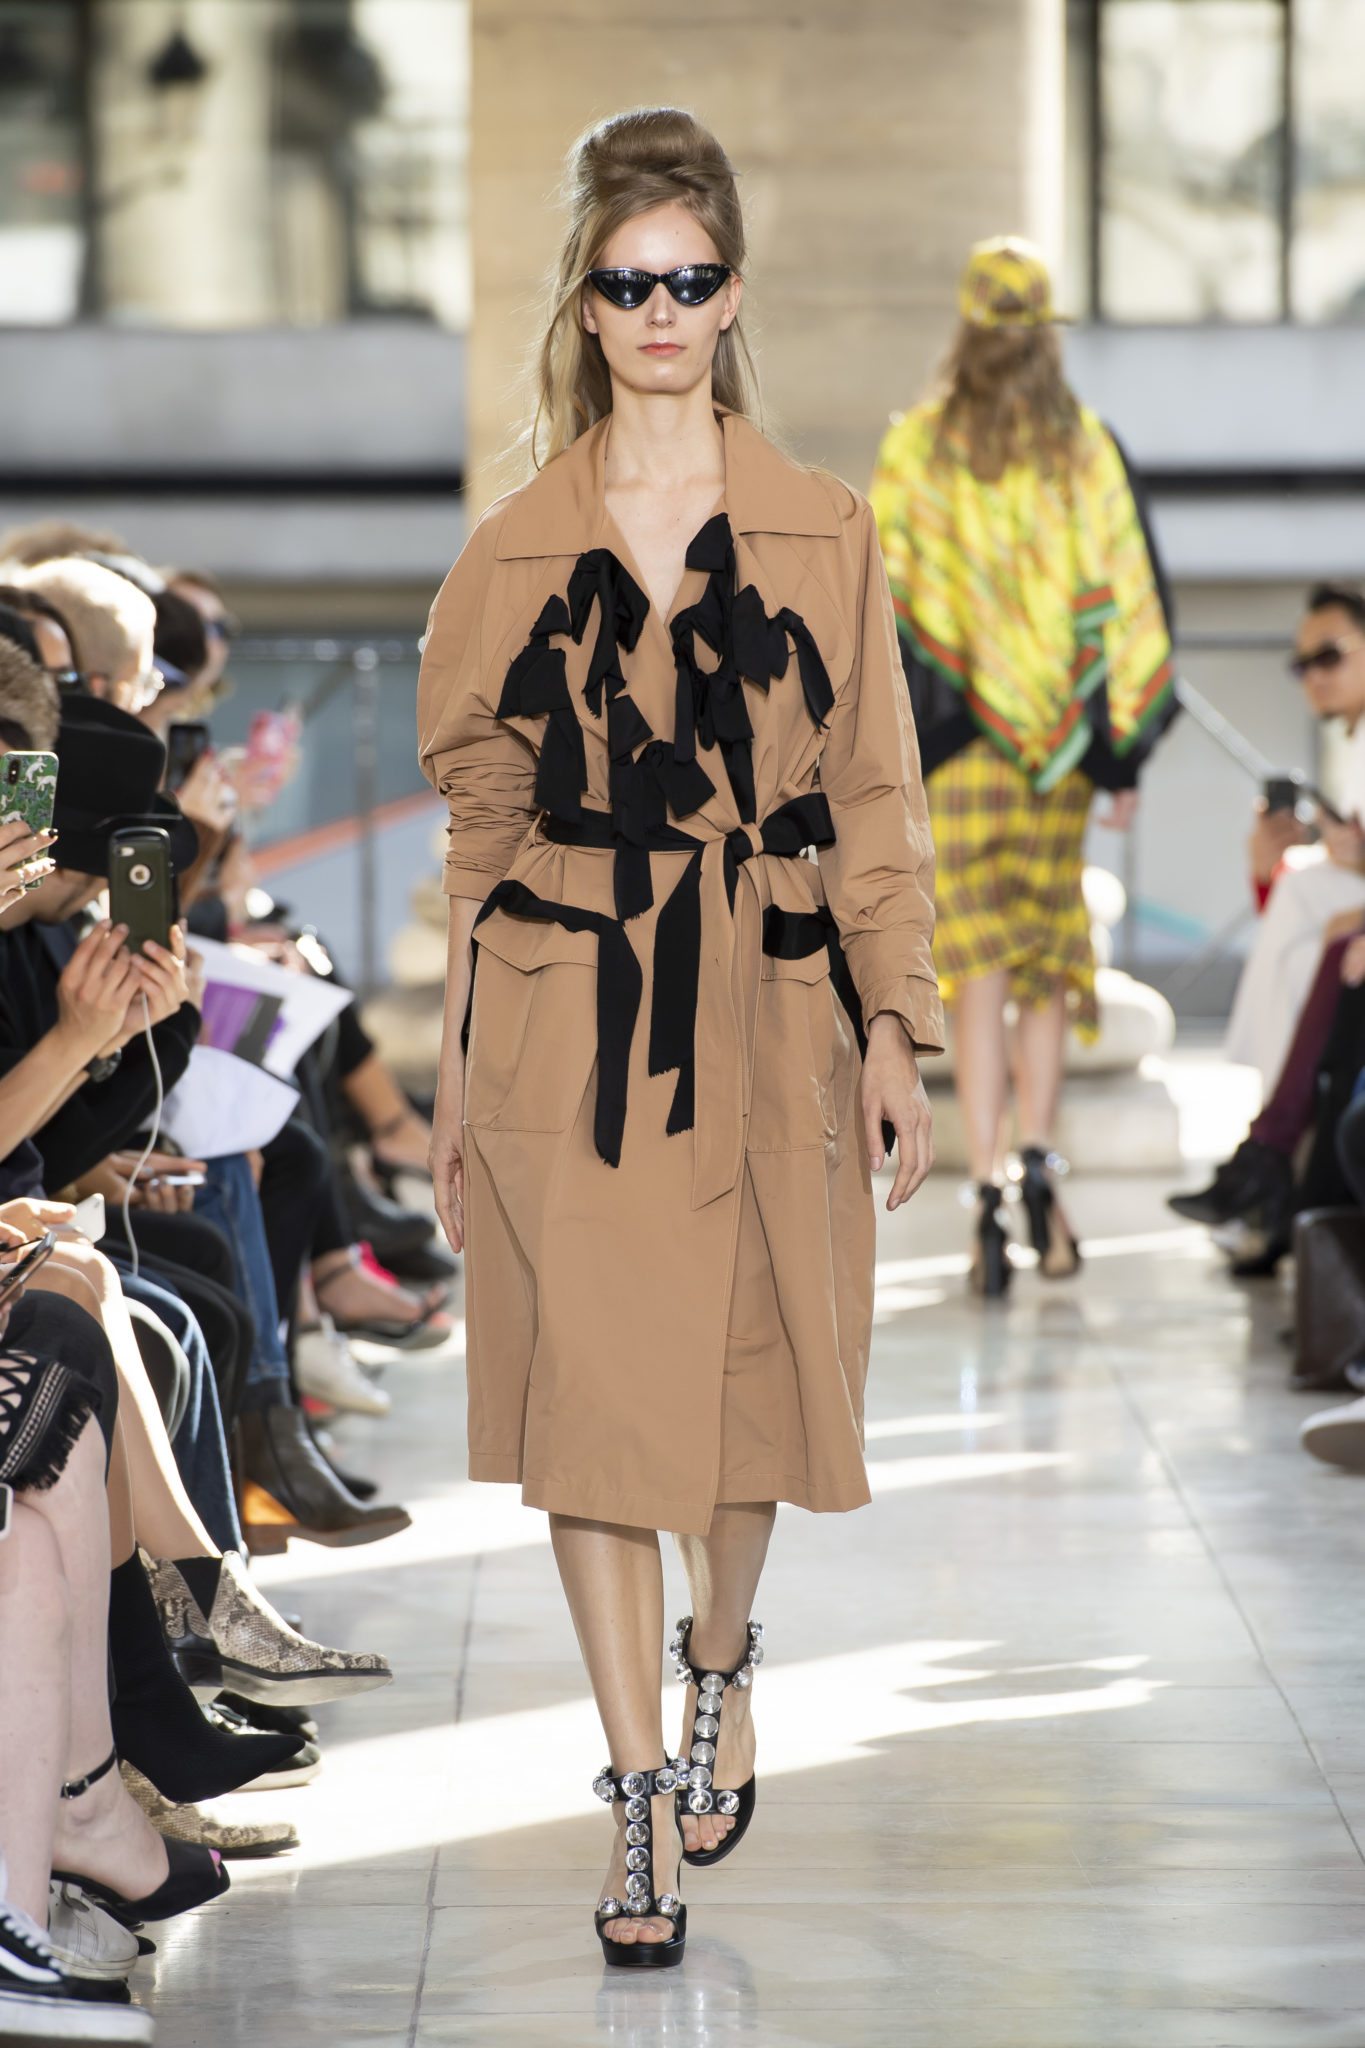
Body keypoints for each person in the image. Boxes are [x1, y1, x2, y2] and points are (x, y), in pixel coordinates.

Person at [419, 106, 940, 1968]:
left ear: (731, 297)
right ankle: (634, 1794)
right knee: (592, 1410)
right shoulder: (511, 552)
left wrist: (900, 1022)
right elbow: (478, 832)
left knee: (734, 1391)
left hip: (771, 1002)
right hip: (564, 1020)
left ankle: (721, 1657)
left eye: (688, 280)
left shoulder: (825, 528)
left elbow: (872, 796)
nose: (657, 311)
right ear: (584, 300)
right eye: (625, 282)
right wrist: (455, 1087)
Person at [870, 235, 1175, 1293]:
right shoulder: (1084, 448)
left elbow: (879, 603)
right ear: (1047, 334)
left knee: (977, 967)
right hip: (1058, 757)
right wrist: (1121, 752)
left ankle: (988, 1190)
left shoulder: (916, 450)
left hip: (957, 753)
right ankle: (1042, 1162)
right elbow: (1127, 595)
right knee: (1047, 961)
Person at [1222, 585, 1365, 1095]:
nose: (1315, 676)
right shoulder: (1351, 743)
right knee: (1301, 938)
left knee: (1303, 893)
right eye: (1302, 665)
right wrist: (1269, 869)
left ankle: (1275, 1119)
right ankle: (1278, 1116)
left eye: (1329, 656)